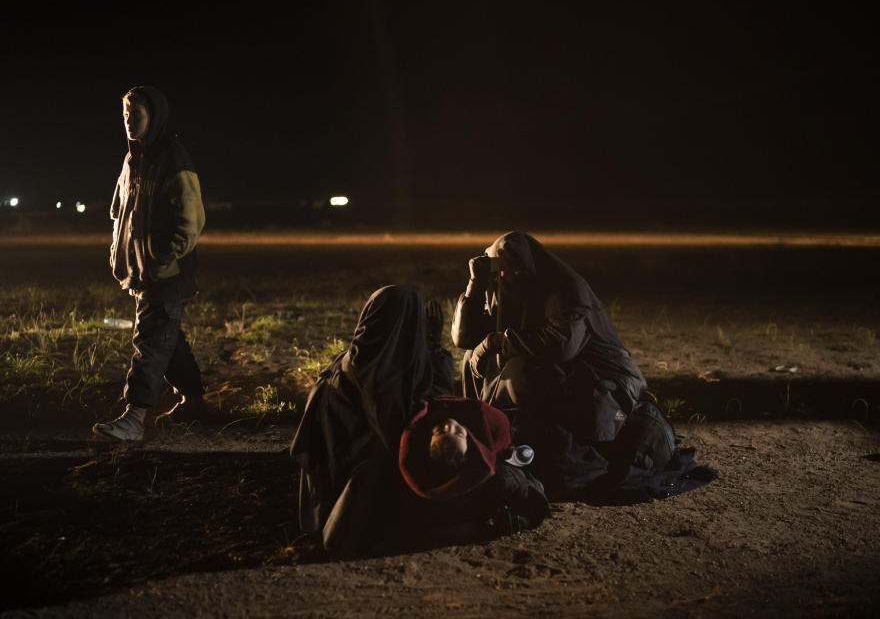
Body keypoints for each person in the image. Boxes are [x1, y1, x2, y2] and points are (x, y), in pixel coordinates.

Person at [452, 232, 715, 501]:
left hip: (600, 376)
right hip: (557, 369)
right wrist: (475, 285)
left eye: (514, 270)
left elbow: (560, 345)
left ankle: (522, 433)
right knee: (473, 358)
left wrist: (496, 343)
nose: (509, 277)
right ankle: (495, 429)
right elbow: (464, 338)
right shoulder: (501, 288)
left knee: (522, 372)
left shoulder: (565, 287)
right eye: (503, 272)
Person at [290, 285, 548, 559]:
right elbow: (418, 417)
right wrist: (434, 349)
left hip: (337, 483)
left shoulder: (358, 361)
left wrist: (433, 347)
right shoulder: (381, 378)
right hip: (367, 483)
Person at [93, 86, 208, 442]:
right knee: (166, 339)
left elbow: (190, 218)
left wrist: (164, 257)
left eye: (136, 115)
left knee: (149, 340)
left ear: (154, 117)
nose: (129, 121)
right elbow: (119, 211)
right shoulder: (132, 160)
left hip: (166, 274)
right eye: (125, 115)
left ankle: (135, 417)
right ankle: (194, 402)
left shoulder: (172, 157)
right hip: (142, 271)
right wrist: (119, 252)